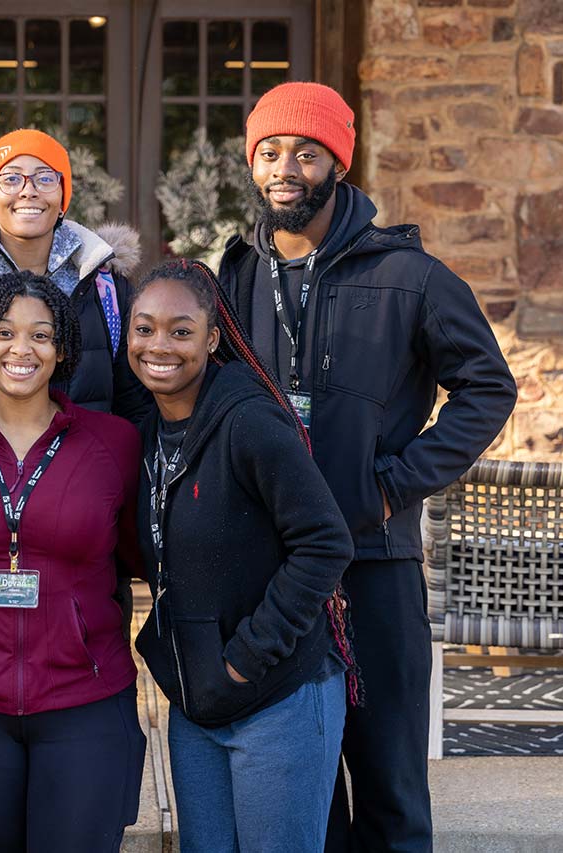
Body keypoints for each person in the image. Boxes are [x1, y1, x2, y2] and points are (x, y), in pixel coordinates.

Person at [217, 82, 518, 852]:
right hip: (275, 570)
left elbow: (487, 388)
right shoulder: (233, 280)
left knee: (388, 790)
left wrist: (392, 484)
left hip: (373, 563)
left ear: (337, 165)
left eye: (306, 152)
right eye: (270, 151)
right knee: (304, 791)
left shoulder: (413, 276)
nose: (286, 166)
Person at [0, 271, 147, 853]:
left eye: (41, 335)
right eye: (4, 333)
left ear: (62, 347)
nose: (22, 349)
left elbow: (147, 552)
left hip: (83, 698)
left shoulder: (114, 442)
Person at [128, 258, 354, 852]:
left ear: (212, 337)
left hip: (278, 696)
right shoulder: (150, 432)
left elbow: (325, 542)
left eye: (181, 331)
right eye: (144, 328)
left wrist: (245, 659)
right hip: (197, 705)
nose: (160, 346)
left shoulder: (249, 420)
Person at [0, 128, 150, 427]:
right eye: (10, 178)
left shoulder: (105, 289)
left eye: (45, 178)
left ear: (62, 197)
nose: (28, 190)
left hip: (83, 468)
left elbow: (137, 406)